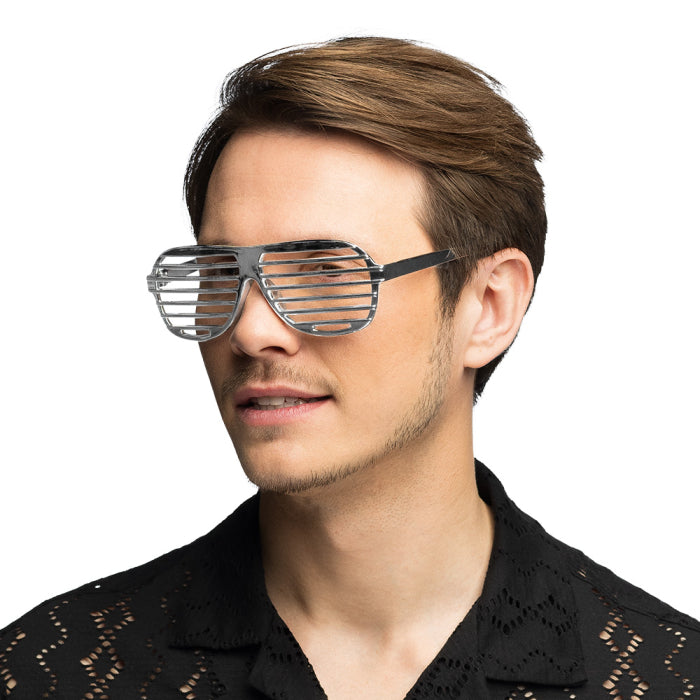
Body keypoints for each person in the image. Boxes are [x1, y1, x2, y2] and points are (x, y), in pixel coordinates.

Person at [1, 36, 698, 699]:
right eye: (220, 273)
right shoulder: (43, 672)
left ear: (489, 306)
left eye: (325, 273)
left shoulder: (669, 676)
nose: (251, 331)